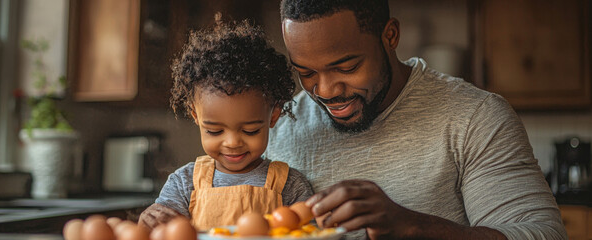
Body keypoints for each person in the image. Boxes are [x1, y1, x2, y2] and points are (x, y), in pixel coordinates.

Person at [264, 0, 567, 239]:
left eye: (347, 67)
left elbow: (544, 234)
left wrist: (414, 227)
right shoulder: (278, 126)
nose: (327, 91)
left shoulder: (475, 117)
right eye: (306, 73)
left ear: (390, 36)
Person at [137, 17, 314, 231]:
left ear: (274, 116)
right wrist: (149, 220)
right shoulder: (184, 184)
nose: (232, 142)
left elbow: (310, 232)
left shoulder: (289, 185)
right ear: (196, 116)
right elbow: (162, 231)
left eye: (250, 130)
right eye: (214, 131)